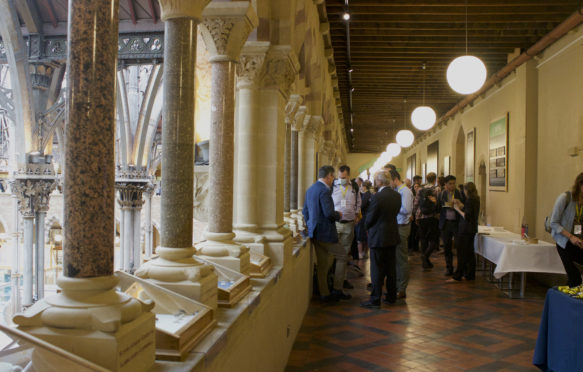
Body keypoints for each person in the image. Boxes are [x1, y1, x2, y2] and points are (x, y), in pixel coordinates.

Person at [360, 170, 401, 309]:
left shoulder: (378, 197)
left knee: (377, 269)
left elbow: (370, 217)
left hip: (378, 236)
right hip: (392, 234)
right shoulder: (396, 196)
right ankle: (391, 297)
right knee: (391, 268)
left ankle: (375, 299)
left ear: (380, 181)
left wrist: (365, 226)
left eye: (376, 180)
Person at [303, 165, 343, 302]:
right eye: (333, 177)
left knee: (322, 264)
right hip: (326, 233)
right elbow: (329, 213)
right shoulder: (324, 191)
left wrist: (310, 225)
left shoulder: (310, 189)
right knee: (342, 256)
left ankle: (325, 293)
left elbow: (305, 212)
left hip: (314, 232)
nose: (333, 180)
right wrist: (339, 214)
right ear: (328, 176)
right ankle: (337, 289)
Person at [330, 165, 361, 299]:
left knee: (344, 255)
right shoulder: (332, 186)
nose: (341, 179)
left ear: (348, 175)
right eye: (340, 177)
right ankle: (334, 284)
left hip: (349, 224)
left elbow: (358, 202)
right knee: (334, 255)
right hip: (335, 224)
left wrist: (357, 214)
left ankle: (340, 284)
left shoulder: (354, 187)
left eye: (344, 177)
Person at [550, 172, 583, 287]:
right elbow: (553, 222)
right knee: (575, 278)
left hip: (577, 242)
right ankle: (564, 299)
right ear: (579, 185)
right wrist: (571, 237)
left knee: (575, 279)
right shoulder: (565, 198)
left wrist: (578, 238)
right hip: (564, 242)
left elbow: (579, 224)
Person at [447, 182, 480, 282]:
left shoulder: (470, 200)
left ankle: (458, 276)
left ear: (467, 190)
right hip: (472, 229)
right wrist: (460, 204)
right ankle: (470, 275)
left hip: (465, 229)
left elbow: (467, 216)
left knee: (461, 253)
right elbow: (468, 210)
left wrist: (457, 209)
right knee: (470, 252)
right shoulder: (476, 198)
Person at [390, 170, 414, 299]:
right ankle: (396, 284)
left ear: (395, 179)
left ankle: (402, 287)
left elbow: (406, 210)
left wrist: (392, 207)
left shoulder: (405, 191)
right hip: (395, 226)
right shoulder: (397, 191)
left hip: (402, 227)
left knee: (401, 259)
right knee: (395, 258)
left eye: (390, 181)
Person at [412, 172, 441, 270]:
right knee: (433, 240)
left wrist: (415, 215)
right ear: (435, 179)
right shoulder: (437, 189)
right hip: (432, 217)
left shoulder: (420, 189)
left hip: (421, 217)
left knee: (423, 239)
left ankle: (425, 261)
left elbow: (416, 203)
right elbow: (438, 203)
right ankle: (426, 257)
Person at [438, 175, 463, 276]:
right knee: (447, 247)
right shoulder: (442, 194)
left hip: (456, 222)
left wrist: (455, 204)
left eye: (454, 183)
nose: (452, 185)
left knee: (459, 246)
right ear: (445, 185)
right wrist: (450, 204)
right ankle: (449, 267)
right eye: (450, 184)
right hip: (446, 222)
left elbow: (462, 205)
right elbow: (440, 206)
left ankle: (461, 269)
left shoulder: (459, 193)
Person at [356, 180, 372, 259]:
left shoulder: (367, 195)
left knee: (361, 236)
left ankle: (361, 253)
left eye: (361, 186)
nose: (360, 188)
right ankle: (364, 253)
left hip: (363, 218)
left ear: (364, 187)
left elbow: (361, 205)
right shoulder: (369, 194)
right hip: (366, 217)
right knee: (365, 237)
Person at [408, 182, 422, 254]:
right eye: (415, 187)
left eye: (417, 186)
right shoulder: (412, 195)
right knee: (413, 232)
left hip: (418, 215)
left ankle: (415, 246)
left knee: (416, 232)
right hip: (413, 215)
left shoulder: (420, 195)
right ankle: (412, 247)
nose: (416, 188)